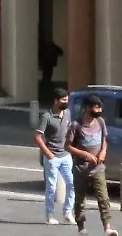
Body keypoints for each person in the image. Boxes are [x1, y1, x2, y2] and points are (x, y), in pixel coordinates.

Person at [66, 95, 115, 236]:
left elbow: (104, 140)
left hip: (98, 168)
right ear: (88, 108)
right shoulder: (76, 125)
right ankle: (81, 227)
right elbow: (67, 146)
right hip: (80, 169)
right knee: (80, 199)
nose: (99, 110)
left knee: (103, 198)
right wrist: (85, 155)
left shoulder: (100, 122)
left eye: (100, 107)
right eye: (96, 107)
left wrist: (103, 152)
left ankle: (108, 228)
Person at [35, 88, 75, 225]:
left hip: (66, 156)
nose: (66, 103)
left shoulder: (68, 113)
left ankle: (67, 212)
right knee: (51, 187)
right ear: (56, 100)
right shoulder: (47, 116)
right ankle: (50, 214)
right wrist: (48, 154)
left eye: (67, 100)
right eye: (63, 100)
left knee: (71, 184)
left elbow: (69, 131)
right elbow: (37, 137)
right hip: (52, 158)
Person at [39, 38, 65, 103]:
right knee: (47, 74)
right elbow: (60, 52)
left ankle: (45, 84)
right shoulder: (51, 47)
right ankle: (46, 84)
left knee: (46, 74)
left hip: (47, 63)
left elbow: (60, 52)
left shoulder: (45, 48)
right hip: (49, 63)